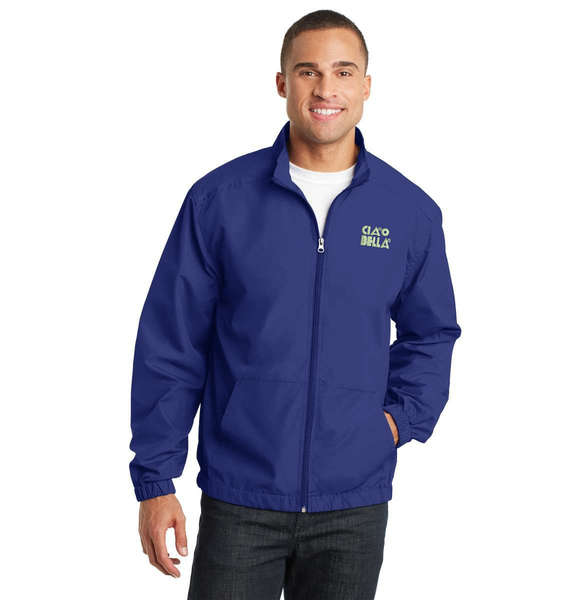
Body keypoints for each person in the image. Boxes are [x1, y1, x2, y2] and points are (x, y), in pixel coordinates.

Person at [129, 9, 462, 600]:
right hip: (241, 498)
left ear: (366, 86)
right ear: (283, 83)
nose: (326, 89)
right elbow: (172, 341)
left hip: (353, 507)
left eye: (343, 72)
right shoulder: (219, 201)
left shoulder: (409, 212)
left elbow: (430, 333)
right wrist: (156, 480)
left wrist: (395, 422)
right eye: (309, 72)